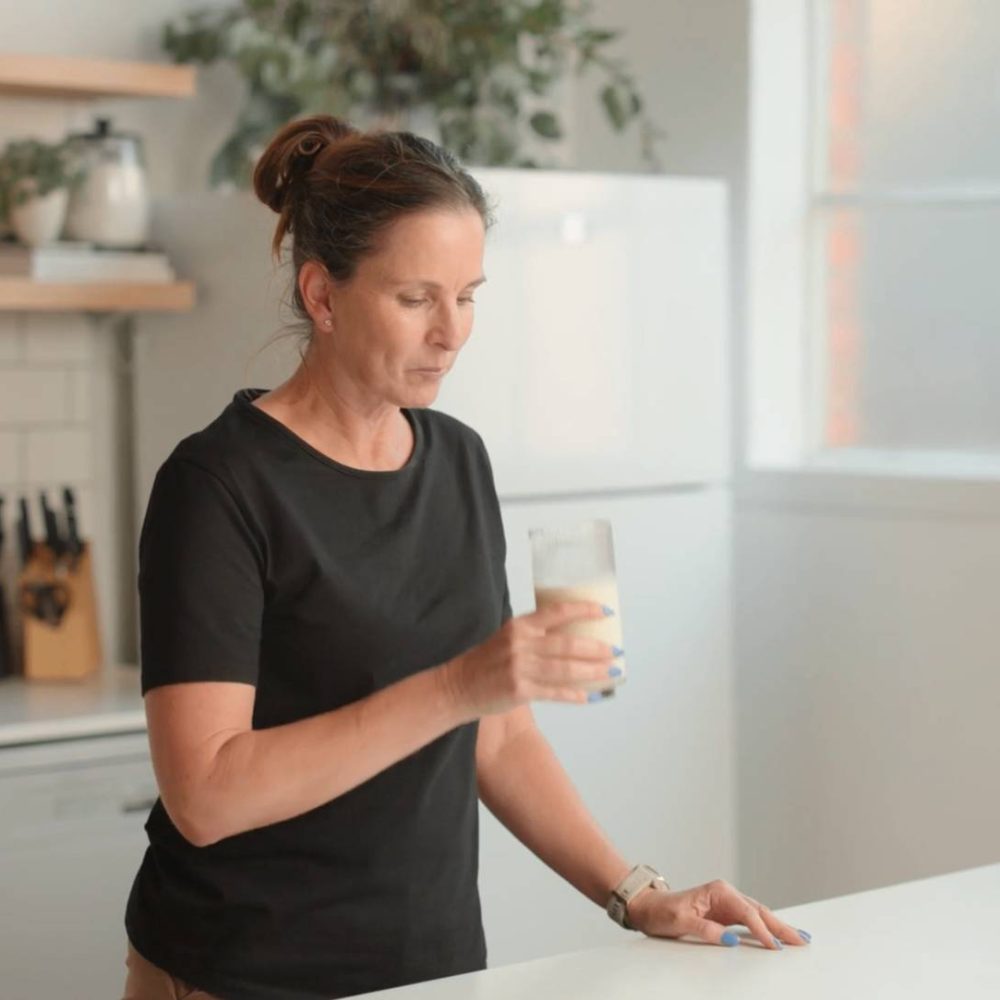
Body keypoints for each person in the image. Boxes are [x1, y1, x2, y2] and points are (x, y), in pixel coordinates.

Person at [121, 114, 810, 1000]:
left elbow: (498, 731)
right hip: (237, 974)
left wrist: (635, 893)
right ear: (323, 297)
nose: (454, 332)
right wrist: (458, 685)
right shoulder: (218, 484)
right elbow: (206, 795)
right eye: (417, 299)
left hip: (428, 971)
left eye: (470, 294)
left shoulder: (455, 459)